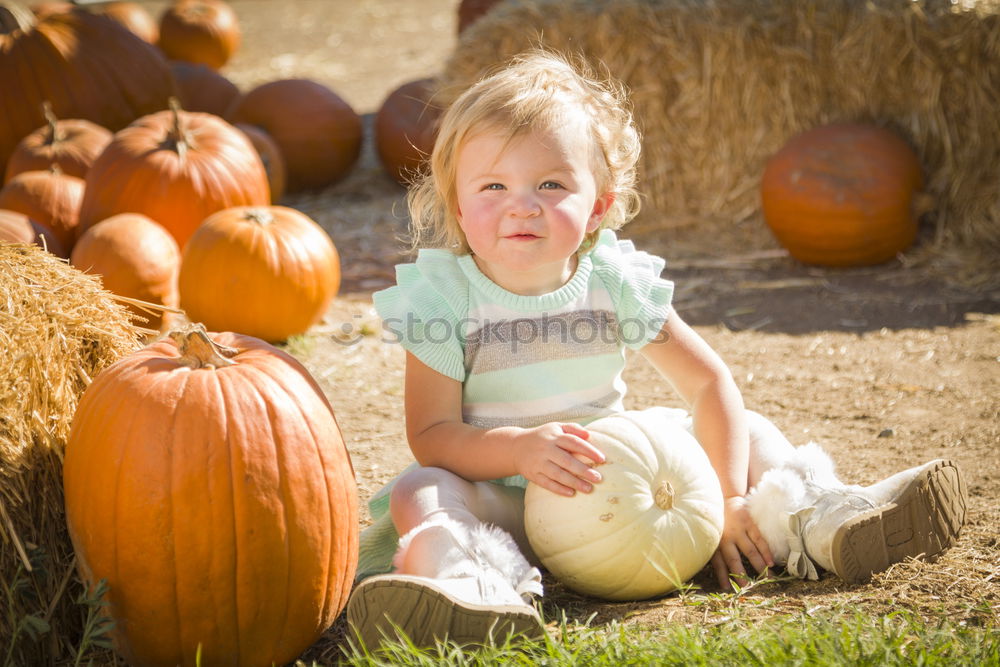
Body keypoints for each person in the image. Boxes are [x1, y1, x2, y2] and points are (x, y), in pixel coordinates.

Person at [345, 50, 967, 648]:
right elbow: (432, 433)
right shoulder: (442, 299)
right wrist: (520, 449)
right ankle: (470, 582)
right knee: (420, 488)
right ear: (458, 202)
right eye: (494, 186)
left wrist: (720, 501)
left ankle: (816, 520)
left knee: (746, 430)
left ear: (599, 209)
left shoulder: (615, 283)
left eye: (552, 183)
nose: (522, 205)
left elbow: (707, 385)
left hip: (626, 485)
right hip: (508, 500)